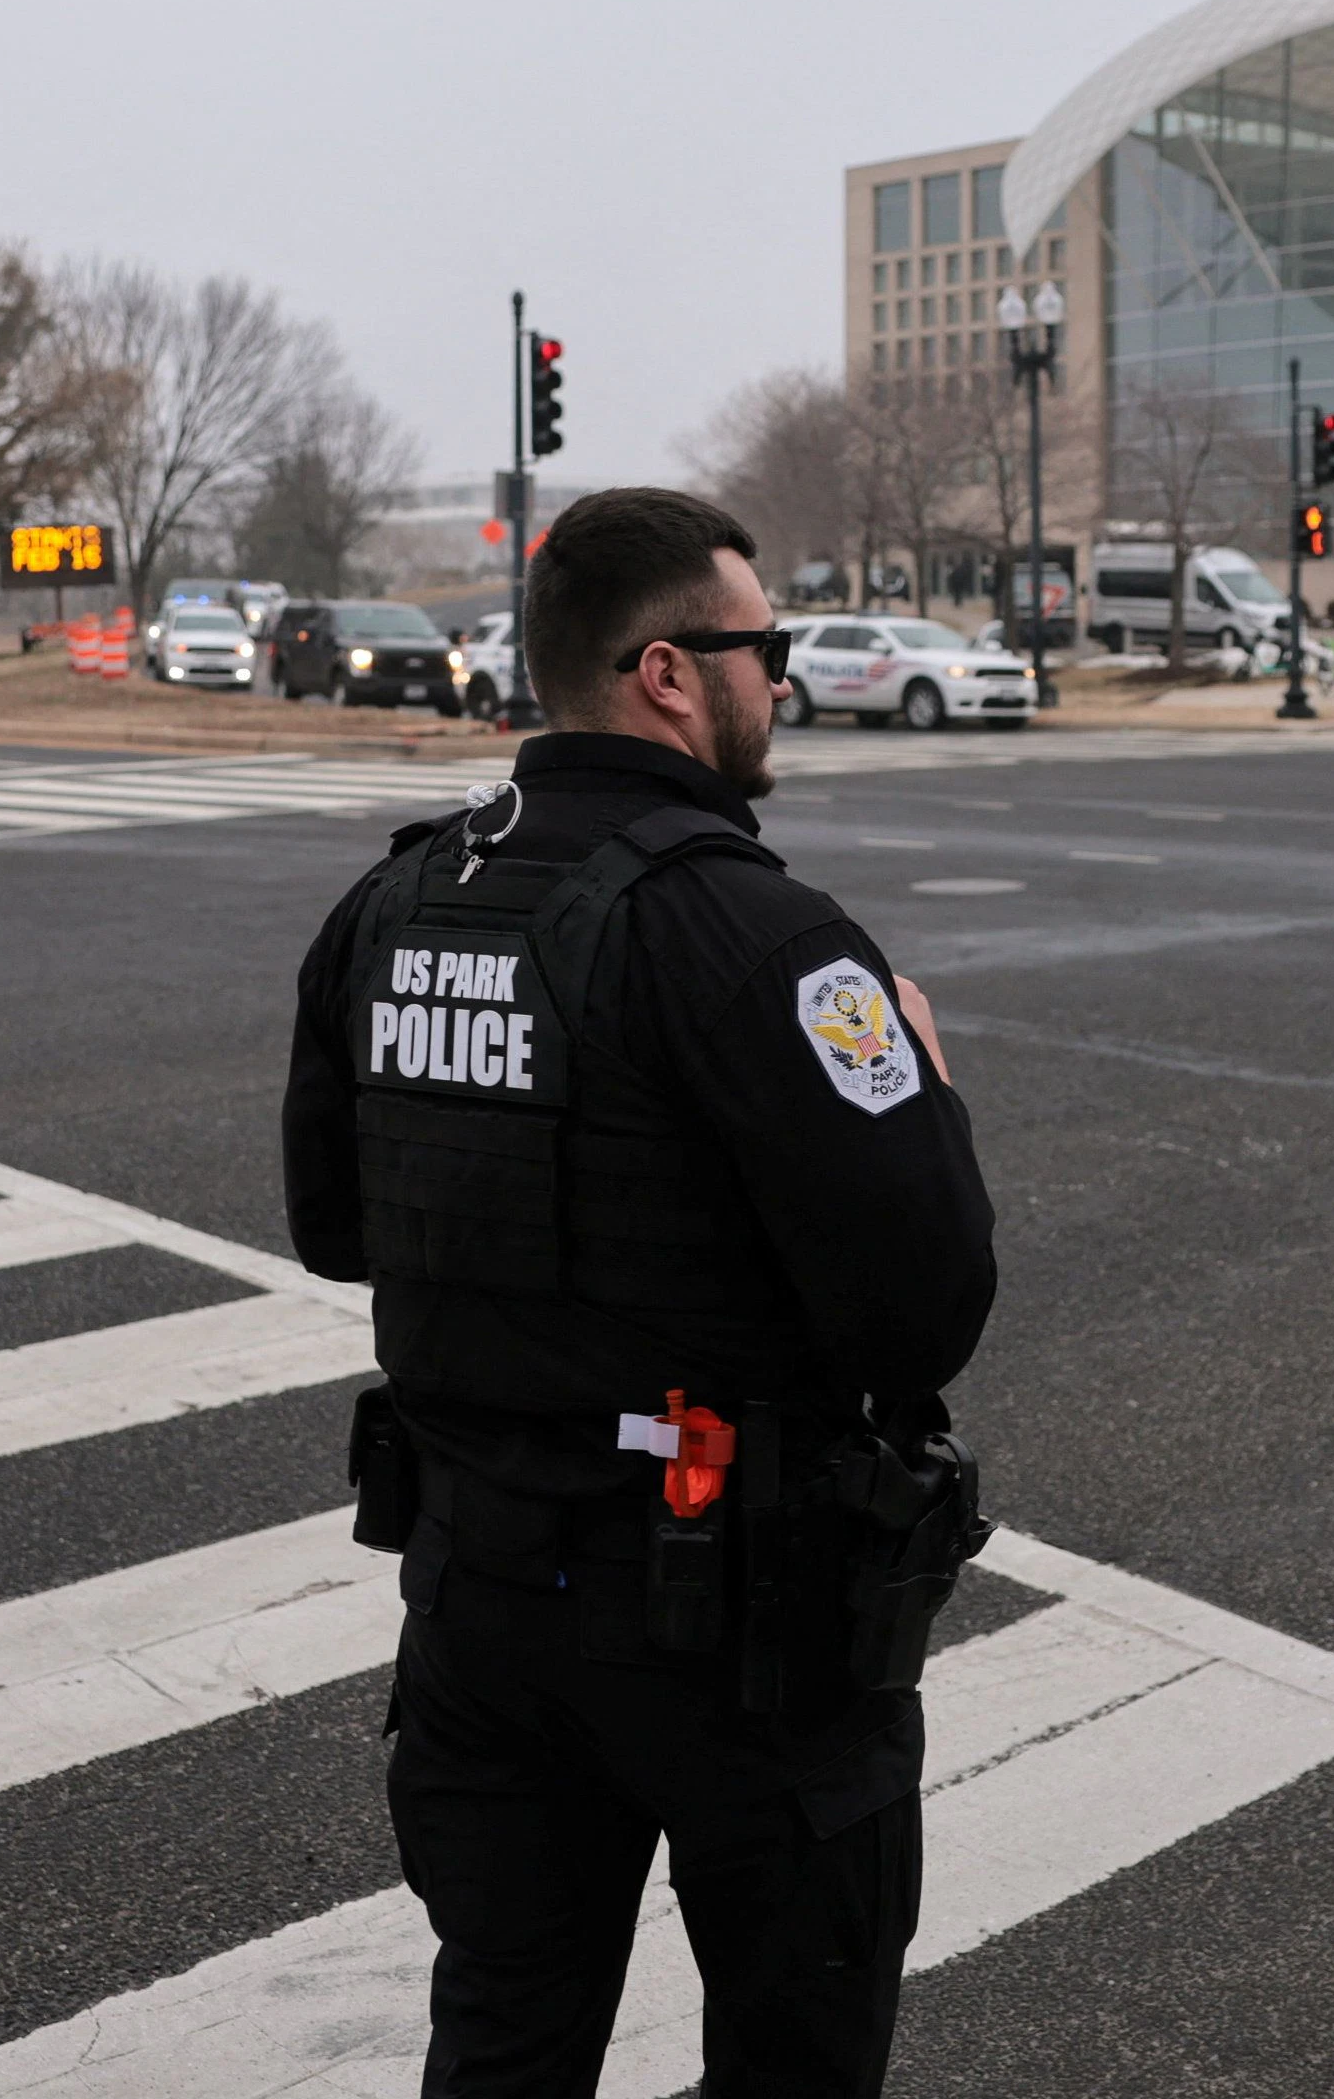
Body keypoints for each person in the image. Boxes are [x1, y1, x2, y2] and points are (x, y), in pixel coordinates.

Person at [282, 487, 998, 2097]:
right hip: (745, 1628)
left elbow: (337, 1228)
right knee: (793, 2057)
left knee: (504, 2045)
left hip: (481, 1601)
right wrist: (927, 1095)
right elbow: (926, 1307)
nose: (785, 676)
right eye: (767, 644)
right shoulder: (759, 936)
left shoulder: (393, 906)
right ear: (671, 672)